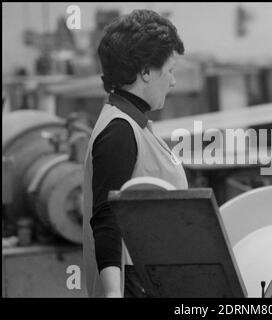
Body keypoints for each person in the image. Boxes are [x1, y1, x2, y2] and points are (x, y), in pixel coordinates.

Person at [83, 9, 188, 298]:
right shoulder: (119, 131)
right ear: (144, 72)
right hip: (135, 283)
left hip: (150, 277)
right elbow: (105, 218)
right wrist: (114, 294)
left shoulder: (134, 124)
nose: (174, 81)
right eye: (170, 71)